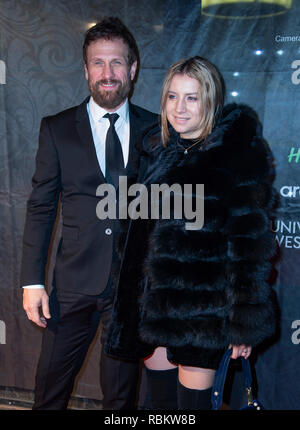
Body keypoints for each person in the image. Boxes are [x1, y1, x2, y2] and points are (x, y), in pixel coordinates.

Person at [105, 56, 278, 410]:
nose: (179, 109)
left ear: (210, 100)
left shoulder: (236, 156)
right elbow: (134, 237)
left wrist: (244, 326)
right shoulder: (155, 150)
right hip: (152, 310)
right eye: (172, 96)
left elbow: (250, 250)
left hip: (204, 316)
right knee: (163, 408)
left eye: (191, 98)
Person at [21, 17, 157, 410]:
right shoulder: (57, 129)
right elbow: (42, 207)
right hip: (72, 286)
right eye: (98, 63)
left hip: (130, 289)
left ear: (133, 69)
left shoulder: (156, 129)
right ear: (85, 71)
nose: (108, 73)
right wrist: (32, 281)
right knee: (50, 393)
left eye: (117, 63)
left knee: (121, 399)